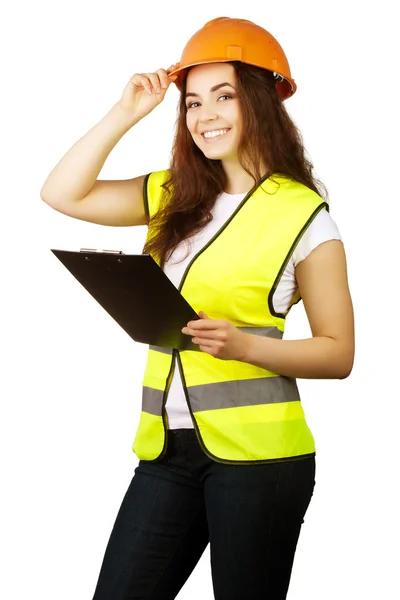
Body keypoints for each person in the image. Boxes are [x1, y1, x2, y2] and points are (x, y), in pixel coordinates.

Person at [40, 16, 355, 600]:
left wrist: (245, 346)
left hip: (263, 463)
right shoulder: (175, 192)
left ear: (260, 102)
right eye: (191, 103)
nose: (205, 115)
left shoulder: (305, 216)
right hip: (167, 450)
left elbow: (339, 353)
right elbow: (62, 194)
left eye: (224, 96)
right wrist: (125, 113)